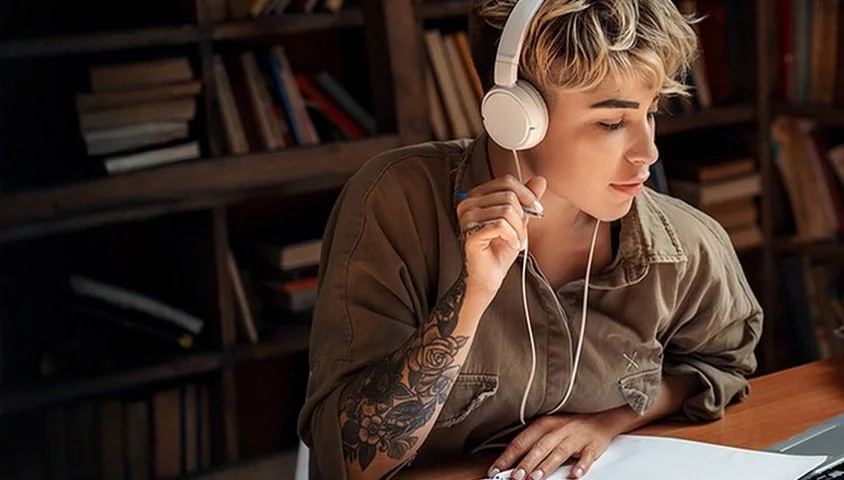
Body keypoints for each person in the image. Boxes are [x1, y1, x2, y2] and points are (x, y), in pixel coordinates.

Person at [295, 1, 763, 479]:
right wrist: (470, 297)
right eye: (611, 123)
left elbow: (721, 367)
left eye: (652, 113)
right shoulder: (396, 201)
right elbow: (350, 464)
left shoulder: (684, 246)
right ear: (516, 116)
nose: (648, 152)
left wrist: (608, 422)